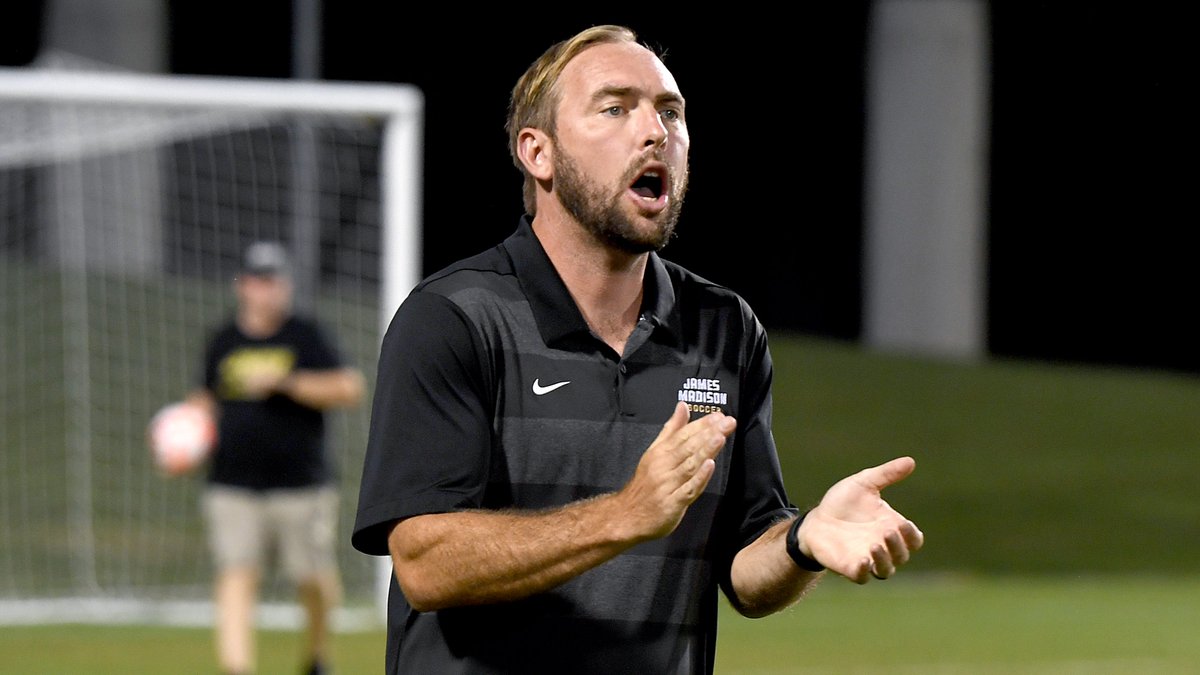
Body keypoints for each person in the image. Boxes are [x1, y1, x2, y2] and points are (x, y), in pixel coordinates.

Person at [351, 24, 924, 674]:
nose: (655, 131)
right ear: (538, 153)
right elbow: (426, 561)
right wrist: (625, 513)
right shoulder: (454, 318)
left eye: (670, 111)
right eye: (615, 107)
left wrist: (802, 540)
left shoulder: (725, 327)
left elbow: (743, 569)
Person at [187, 240, 365, 675]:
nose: (267, 290)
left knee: (313, 580)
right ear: (242, 285)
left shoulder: (304, 335)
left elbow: (348, 387)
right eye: (258, 280)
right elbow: (204, 400)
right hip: (232, 483)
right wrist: (183, 437)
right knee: (236, 572)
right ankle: (236, 668)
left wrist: (286, 383)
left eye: (275, 280)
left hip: (299, 485)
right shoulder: (223, 340)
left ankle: (318, 656)